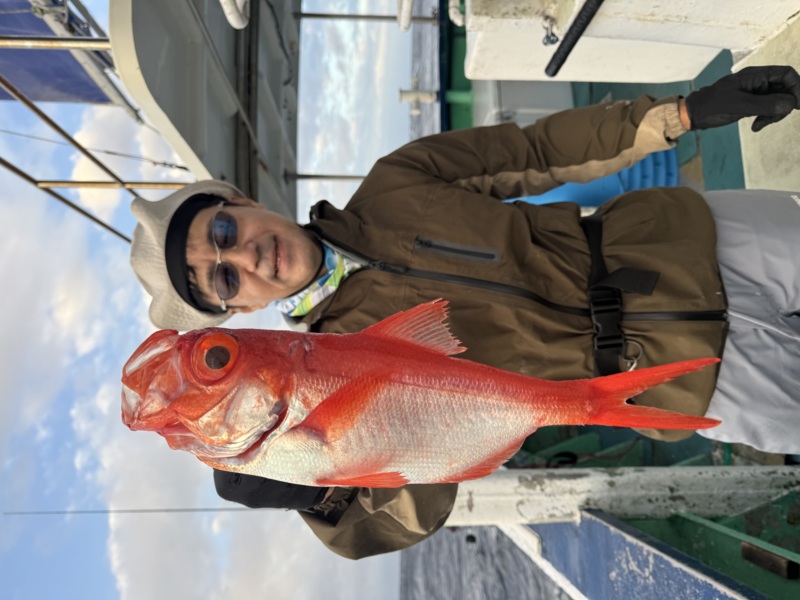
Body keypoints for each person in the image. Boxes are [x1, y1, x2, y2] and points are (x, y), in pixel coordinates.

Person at [129, 65, 800, 559]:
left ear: (240, 200)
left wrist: (681, 114)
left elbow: (536, 153)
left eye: (221, 233)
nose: (243, 258)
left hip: (696, 242)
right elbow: (416, 500)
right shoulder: (319, 375)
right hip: (675, 378)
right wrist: (321, 491)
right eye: (221, 280)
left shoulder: (396, 182)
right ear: (231, 309)